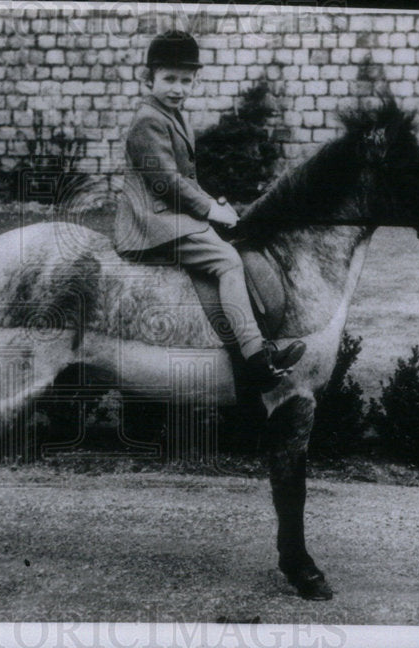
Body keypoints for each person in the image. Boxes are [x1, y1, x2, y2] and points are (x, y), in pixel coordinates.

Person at [113, 30, 305, 390]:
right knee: (227, 260)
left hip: (170, 214)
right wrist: (208, 211)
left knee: (236, 239)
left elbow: (187, 178)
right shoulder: (148, 119)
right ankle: (254, 356)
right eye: (169, 79)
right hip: (151, 222)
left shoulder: (175, 116)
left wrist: (214, 205)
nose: (177, 88)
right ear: (148, 77)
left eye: (186, 81)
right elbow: (166, 182)